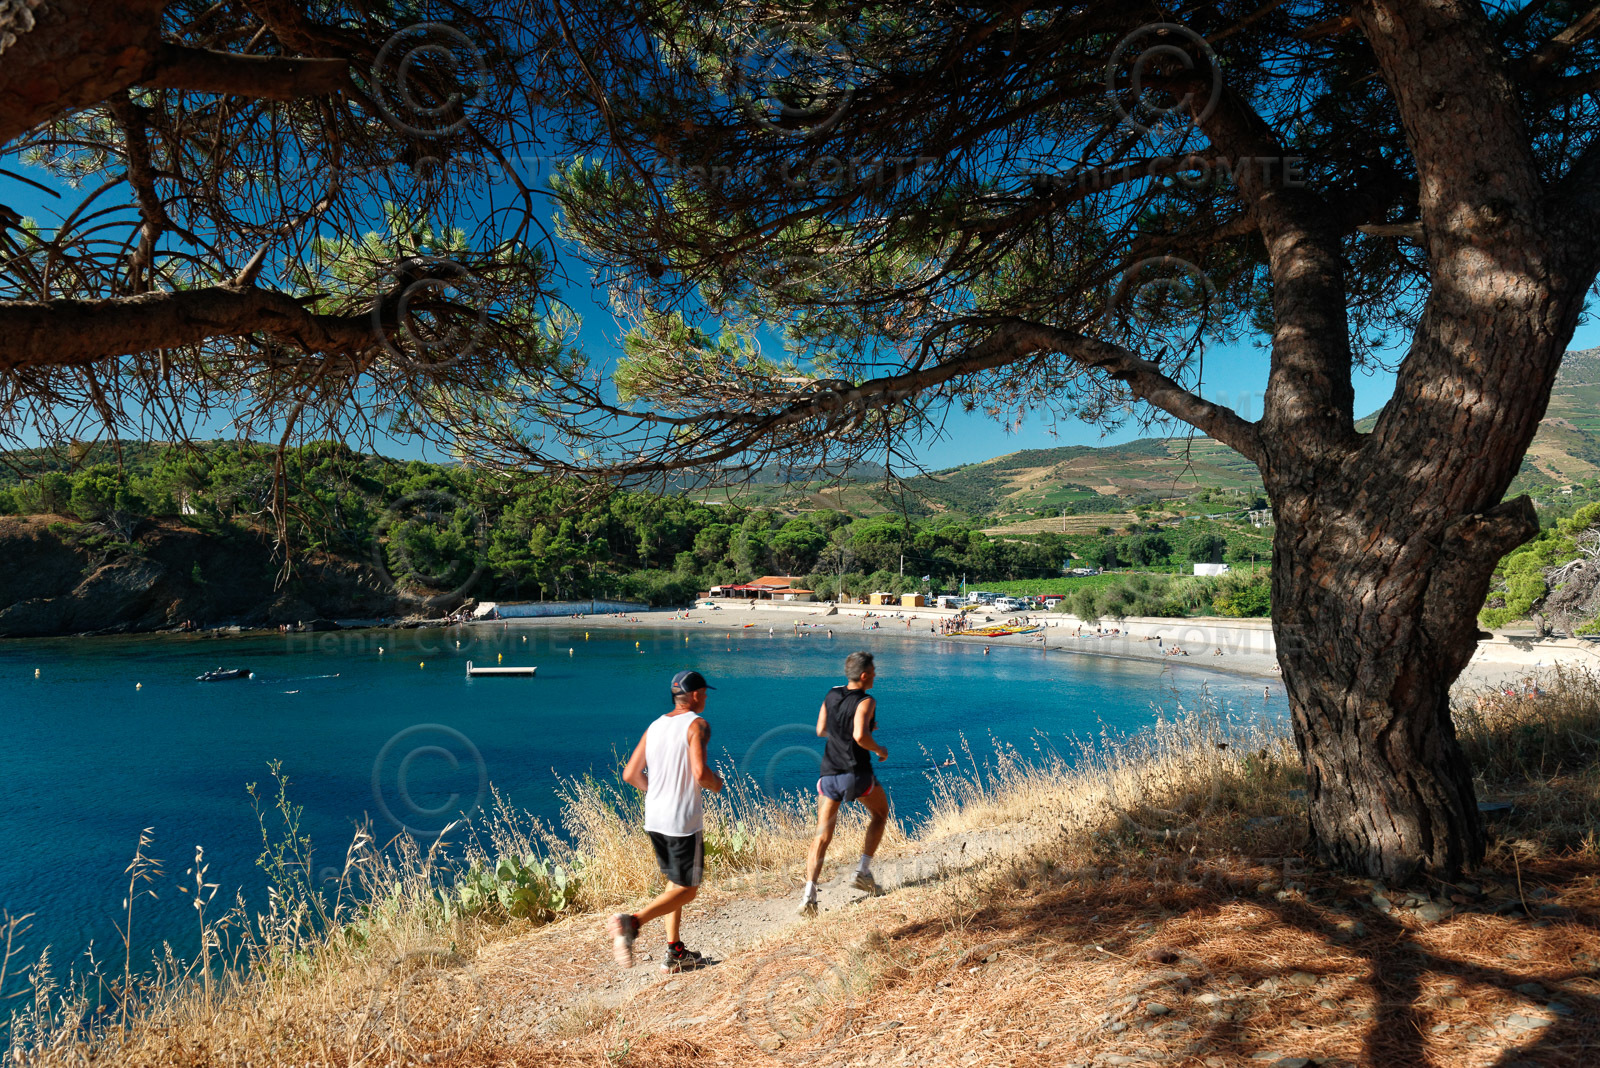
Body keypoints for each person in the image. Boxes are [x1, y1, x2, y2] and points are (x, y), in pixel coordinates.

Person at [609, 670, 724, 972]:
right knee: (689, 889)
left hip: (655, 817)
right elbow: (700, 773)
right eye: (704, 692)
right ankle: (632, 923)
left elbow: (630, 774)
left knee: (675, 883)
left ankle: (675, 952)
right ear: (695, 695)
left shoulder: (655, 726)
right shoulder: (697, 725)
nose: (706, 697)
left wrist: (659, 792)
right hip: (682, 821)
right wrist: (717, 784)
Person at [798, 651, 890, 917]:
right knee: (880, 814)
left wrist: (843, 732)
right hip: (856, 773)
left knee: (822, 836)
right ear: (864, 675)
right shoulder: (866, 701)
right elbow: (860, 736)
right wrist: (880, 749)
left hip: (828, 774)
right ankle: (863, 871)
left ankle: (809, 897)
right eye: (873, 671)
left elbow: (821, 730)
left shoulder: (831, 694)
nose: (876, 675)